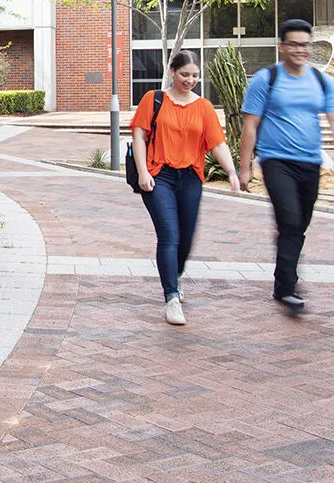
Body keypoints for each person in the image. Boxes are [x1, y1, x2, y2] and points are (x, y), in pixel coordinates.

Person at [132, 50, 239, 326]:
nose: (190, 80)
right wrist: (143, 172)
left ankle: (175, 275)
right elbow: (140, 136)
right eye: (184, 74)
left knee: (187, 237)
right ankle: (171, 298)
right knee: (169, 235)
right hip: (159, 176)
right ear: (172, 72)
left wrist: (231, 173)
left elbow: (217, 143)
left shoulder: (203, 107)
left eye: (194, 75)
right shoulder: (153, 99)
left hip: (191, 177)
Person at [239, 18, 334, 313]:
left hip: (310, 163)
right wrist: (245, 167)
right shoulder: (266, 79)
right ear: (282, 46)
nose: (300, 50)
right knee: (291, 221)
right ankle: (287, 287)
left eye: (305, 45)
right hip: (276, 162)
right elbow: (250, 126)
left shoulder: (322, 81)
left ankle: (283, 283)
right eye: (293, 44)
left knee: (298, 226)